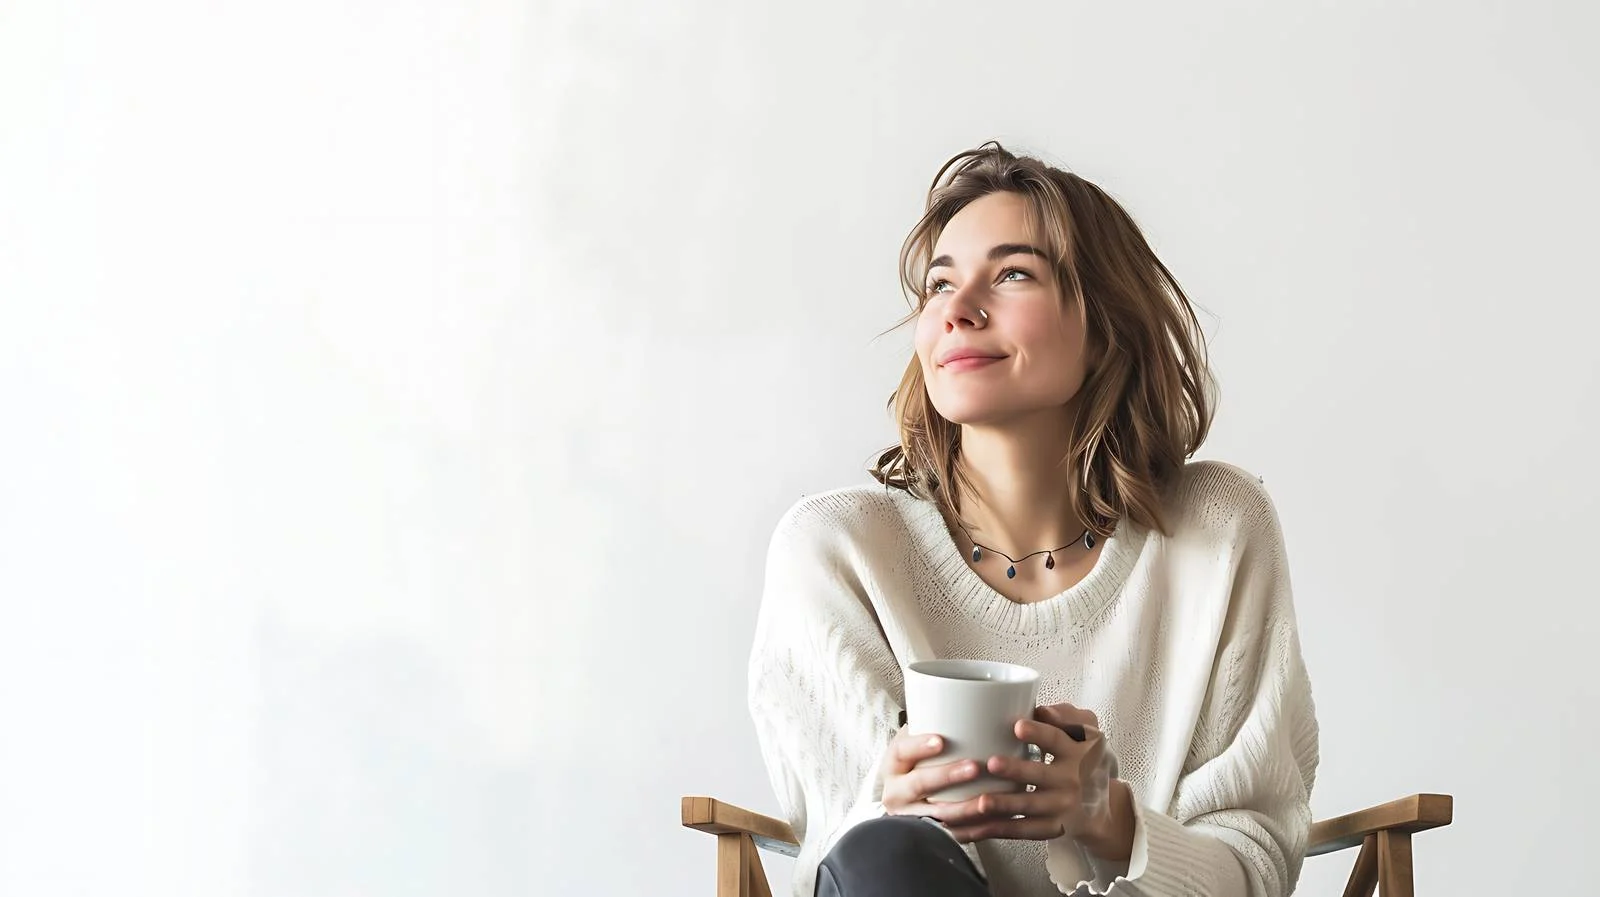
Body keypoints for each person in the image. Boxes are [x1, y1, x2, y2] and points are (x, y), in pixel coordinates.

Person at [747, 142, 1320, 897]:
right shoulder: (836, 553)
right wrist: (886, 802)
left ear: (1106, 321)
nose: (957, 307)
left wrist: (1105, 816)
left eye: (1012, 273)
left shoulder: (1218, 531)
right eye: (939, 283)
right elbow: (844, 858)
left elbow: (1255, 865)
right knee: (889, 854)